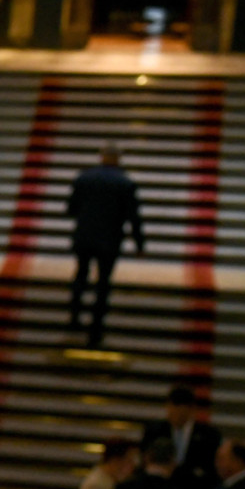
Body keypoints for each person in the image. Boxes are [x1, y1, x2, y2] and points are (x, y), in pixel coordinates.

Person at [66, 142, 144, 348]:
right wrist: (139, 243)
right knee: (103, 283)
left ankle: (74, 317)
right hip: (109, 239)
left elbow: (71, 209)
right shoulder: (125, 183)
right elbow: (133, 217)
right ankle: (96, 328)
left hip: (84, 236)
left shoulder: (84, 178)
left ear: (101, 157)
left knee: (80, 274)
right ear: (118, 159)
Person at [141, 385, 222, 489]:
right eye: (172, 410)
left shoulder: (208, 435)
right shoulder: (154, 430)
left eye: (180, 412)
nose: (175, 416)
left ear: (191, 410)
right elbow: (145, 459)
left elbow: (211, 469)